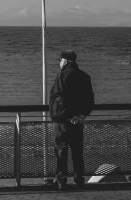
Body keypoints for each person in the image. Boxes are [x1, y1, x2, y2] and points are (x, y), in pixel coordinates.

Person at [49, 50, 95, 190]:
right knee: (77, 152)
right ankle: (79, 179)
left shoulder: (62, 76)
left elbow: (61, 98)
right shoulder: (85, 76)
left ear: (67, 61)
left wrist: (69, 116)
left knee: (61, 152)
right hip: (78, 121)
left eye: (60, 60)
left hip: (62, 121)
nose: (59, 62)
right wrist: (82, 115)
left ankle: (61, 181)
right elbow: (90, 99)